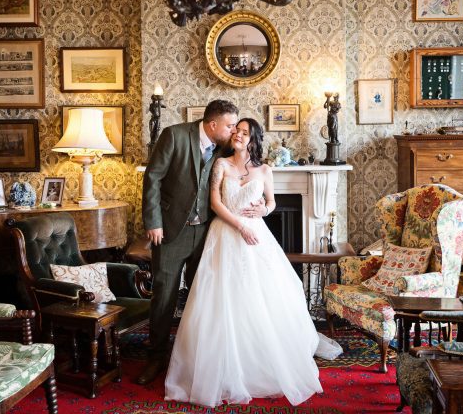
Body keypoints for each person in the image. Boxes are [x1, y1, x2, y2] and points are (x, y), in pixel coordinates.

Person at [164, 118, 326, 407]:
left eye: (243, 132)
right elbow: (215, 203)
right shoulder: (221, 165)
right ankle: (219, 369)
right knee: (221, 300)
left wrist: (265, 209)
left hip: (257, 236)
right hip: (225, 234)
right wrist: (240, 226)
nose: (237, 135)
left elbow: (272, 202)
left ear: (254, 139)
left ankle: (261, 363)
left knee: (259, 297)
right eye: (235, 130)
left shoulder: (264, 169)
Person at [136, 99, 240, 385]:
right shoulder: (174, 135)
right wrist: (153, 222)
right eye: (230, 125)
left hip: (207, 233)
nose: (233, 131)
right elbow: (152, 179)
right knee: (164, 296)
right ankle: (155, 356)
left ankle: (193, 359)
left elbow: (248, 162)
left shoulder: (225, 146)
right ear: (213, 124)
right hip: (170, 231)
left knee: (201, 298)